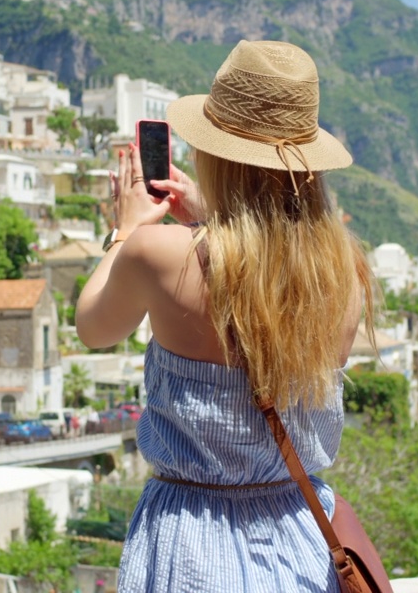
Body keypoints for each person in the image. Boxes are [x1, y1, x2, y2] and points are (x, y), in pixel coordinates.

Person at [76, 40, 375, 592]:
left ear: (215, 153)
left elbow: (94, 327)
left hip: (192, 544)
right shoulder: (344, 274)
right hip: (303, 541)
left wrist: (126, 231)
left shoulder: (160, 254)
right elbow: (264, 272)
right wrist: (218, 221)